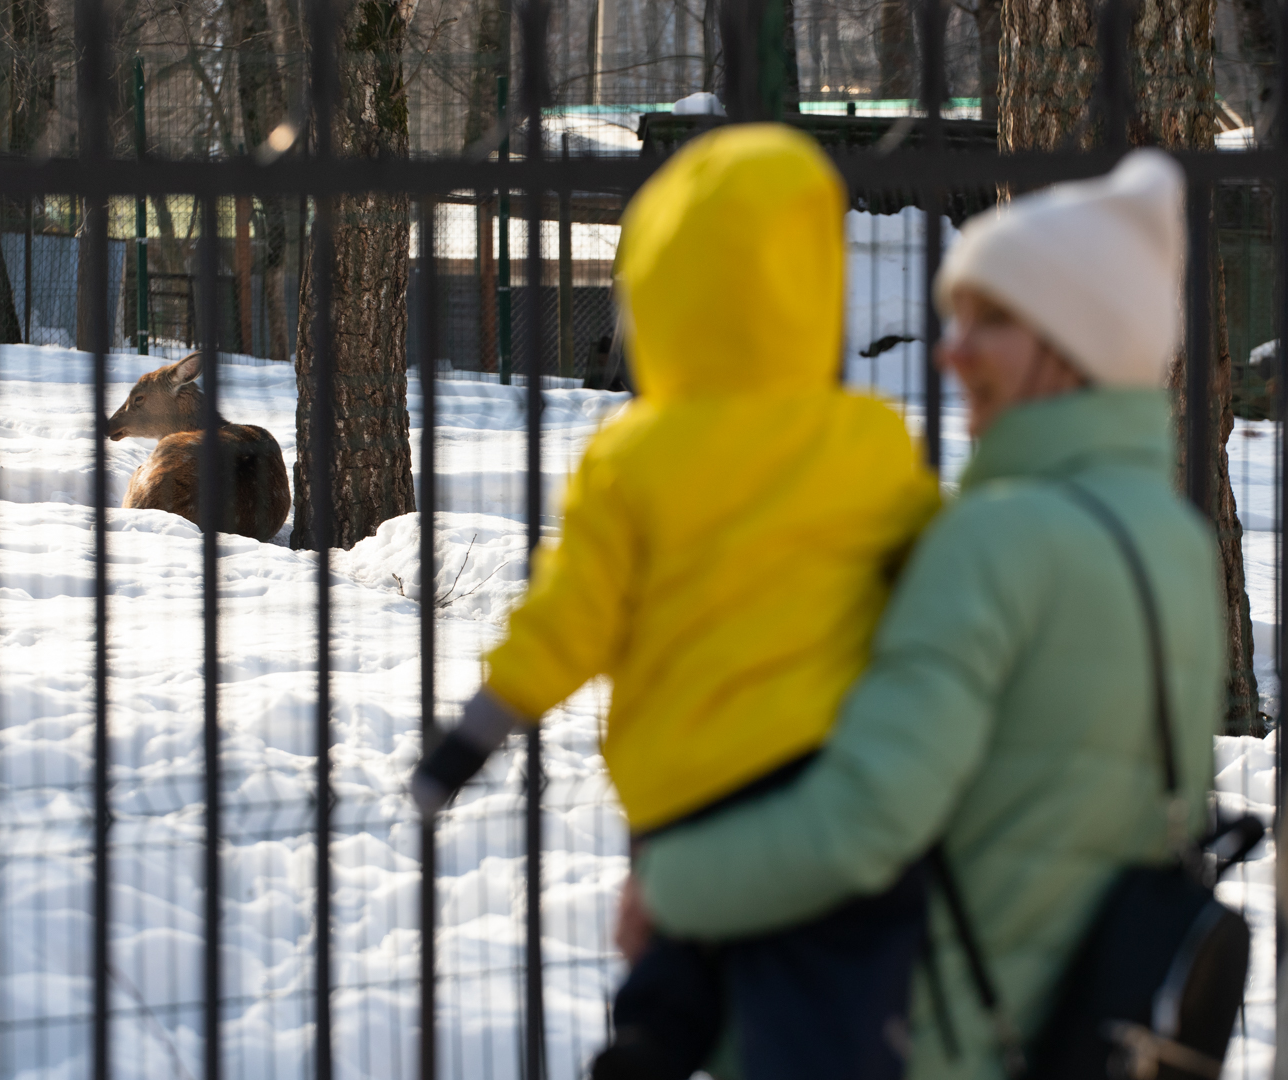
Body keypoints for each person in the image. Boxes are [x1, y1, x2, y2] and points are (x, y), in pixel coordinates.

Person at [626, 149, 1224, 1080]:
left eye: (991, 322)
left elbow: (863, 822)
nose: (951, 349)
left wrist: (674, 889)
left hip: (928, 1040)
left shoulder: (993, 541)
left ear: (1076, 344)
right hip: (1076, 1029)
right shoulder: (1174, 541)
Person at [411, 124, 940, 1079]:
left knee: (679, 944)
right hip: (825, 774)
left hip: (682, 788)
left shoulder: (631, 456)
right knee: (823, 966)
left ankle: (654, 1033)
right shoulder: (869, 443)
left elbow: (571, 614)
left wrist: (477, 733)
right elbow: (934, 585)